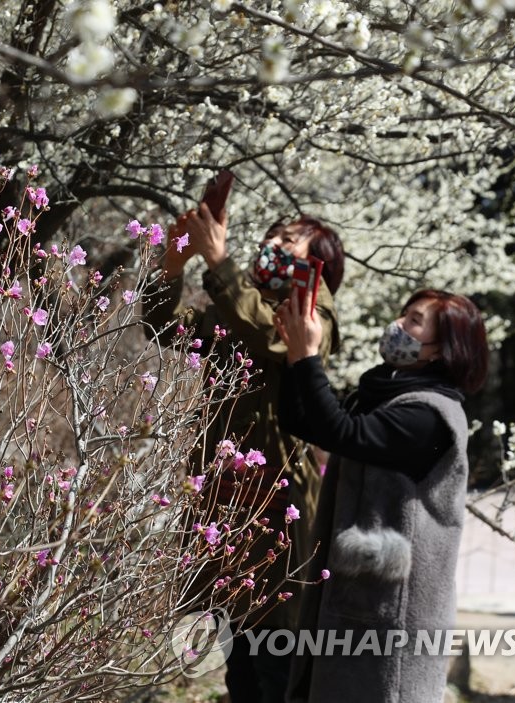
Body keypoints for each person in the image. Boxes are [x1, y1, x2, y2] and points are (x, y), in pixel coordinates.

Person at [140, 198, 345, 703]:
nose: (272, 245)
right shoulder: (238, 299)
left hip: (278, 501)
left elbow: (271, 336)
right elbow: (164, 327)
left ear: (319, 260)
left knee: (276, 648)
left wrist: (218, 263)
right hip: (226, 498)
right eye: (272, 235)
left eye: (288, 241)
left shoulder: (314, 308)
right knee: (239, 653)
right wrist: (173, 263)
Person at [274, 288, 489, 703]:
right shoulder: (387, 399)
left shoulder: (430, 416)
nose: (399, 326)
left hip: (395, 619)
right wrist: (293, 354)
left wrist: (308, 358)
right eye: (403, 314)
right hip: (357, 606)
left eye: (414, 320)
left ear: (443, 350)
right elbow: (303, 420)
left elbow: (342, 432)